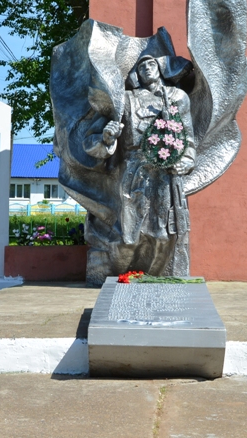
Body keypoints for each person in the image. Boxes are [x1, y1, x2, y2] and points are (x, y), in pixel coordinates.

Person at [83, 55, 197, 278]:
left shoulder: (177, 97)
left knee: (164, 232)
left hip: (166, 171)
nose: (146, 68)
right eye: (141, 66)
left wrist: (186, 160)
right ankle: (125, 273)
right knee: (130, 232)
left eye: (151, 64)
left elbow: (188, 137)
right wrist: (108, 137)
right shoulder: (126, 99)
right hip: (134, 170)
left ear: (160, 68)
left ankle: (159, 275)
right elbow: (96, 137)